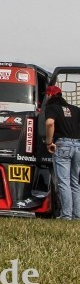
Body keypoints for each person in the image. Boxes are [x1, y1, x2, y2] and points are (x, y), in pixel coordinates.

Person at [44, 85, 80, 220]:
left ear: (49, 95)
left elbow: (49, 123)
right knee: (75, 182)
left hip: (63, 145)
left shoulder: (52, 108)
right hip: (78, 146)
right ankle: (77, 215)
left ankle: (66, 215)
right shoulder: (75, 109)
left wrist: (49, 142)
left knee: (63, 182)